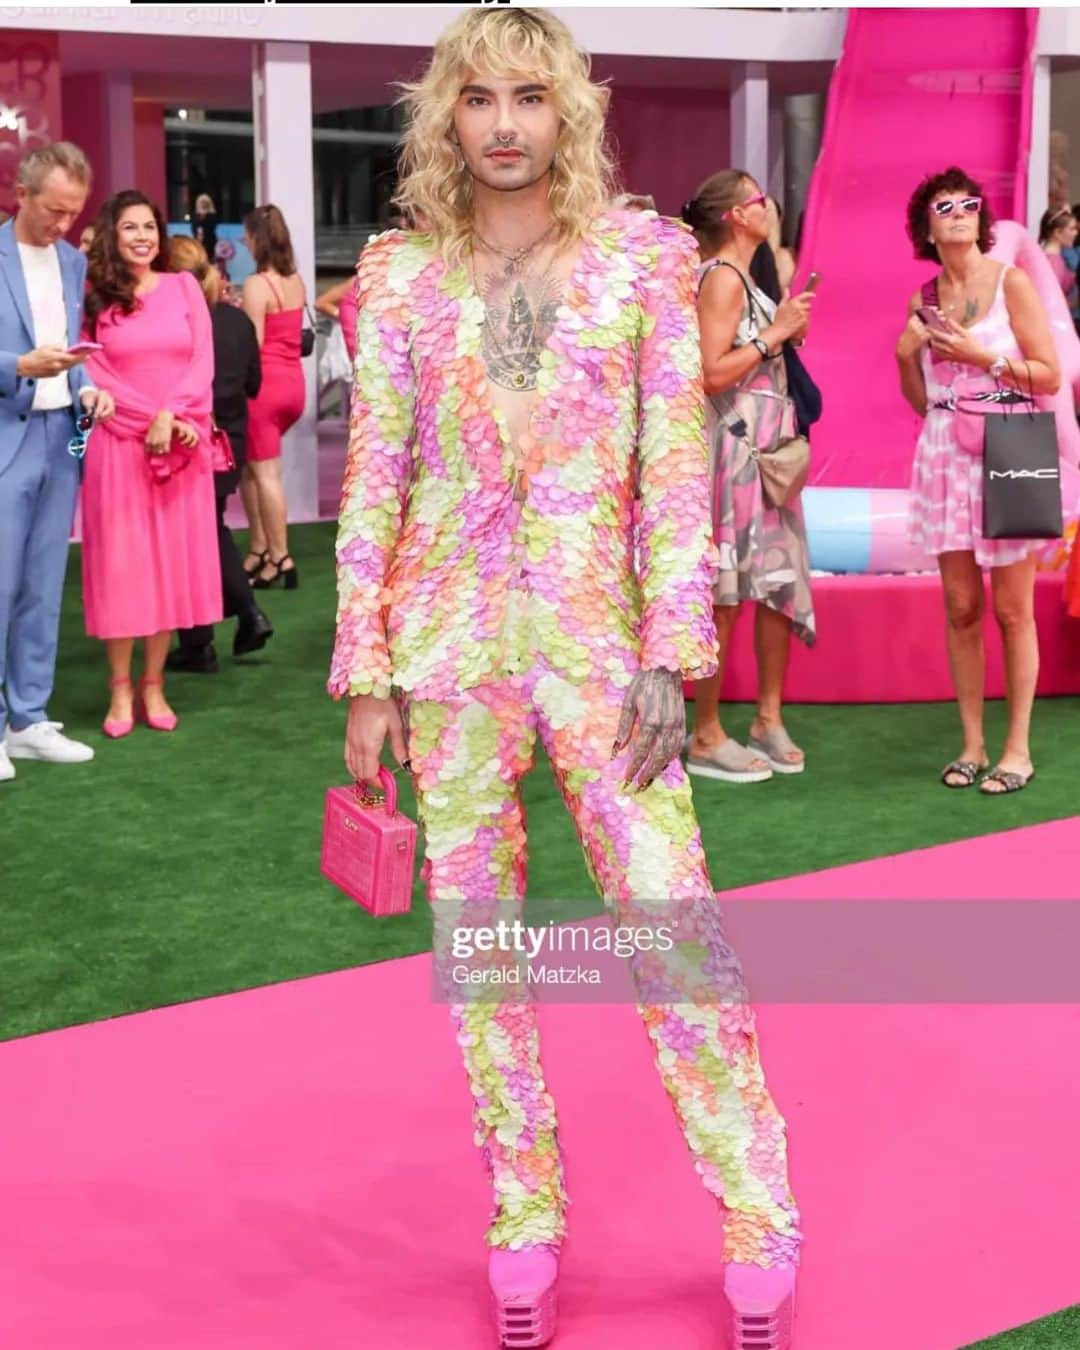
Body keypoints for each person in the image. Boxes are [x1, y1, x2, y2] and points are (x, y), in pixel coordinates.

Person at [329, 10, 801, 1348]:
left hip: (606, 653)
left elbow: (670, 471)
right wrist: (368, 669)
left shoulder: (642, 268)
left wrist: (673, 650)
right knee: (481, 951)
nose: (503, 125)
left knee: (669, 919)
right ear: (444, 118)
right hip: (450, 651)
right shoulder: (407, 281)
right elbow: (376, 488)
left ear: (568, 114)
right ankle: (522, 1212)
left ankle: (759, 1209)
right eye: (476, 99)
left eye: (528, 97)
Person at [896, 167, 1060, 793]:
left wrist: (983, 357)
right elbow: (920, 400)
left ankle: (1016, 749)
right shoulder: (923, 300)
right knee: (961, 606)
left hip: (1007, 445)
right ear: (927, 226)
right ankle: (971, 743)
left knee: (1014, 609)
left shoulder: (1011, 282)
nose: (961, 213)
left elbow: (1046, 375)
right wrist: (904, 355)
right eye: (946, 206)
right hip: (944, 448)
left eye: (970, 204)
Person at [681, 172, 816, 784]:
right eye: (760, 198)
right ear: (738, 215)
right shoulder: (722, 278)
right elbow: (709, 374)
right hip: (736, 453)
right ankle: (705, 732)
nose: (770, 207)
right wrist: (773, 337)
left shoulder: (746, 278)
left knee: (777, 583)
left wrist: (781, 330)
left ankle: (767, 716)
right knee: (727, 592)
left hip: (768, 452)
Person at [81, 190, 221, 737]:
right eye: (130, 228)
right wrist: (149, 419)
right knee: (124, 569)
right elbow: (90, 369)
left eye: (149, 227)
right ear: (113, 237)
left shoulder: (184, 287)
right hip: (118, 447)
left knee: (167, 569)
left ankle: (154, 683)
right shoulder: (95, 296)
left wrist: (172, 415)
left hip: (179, 447)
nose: (142, 236)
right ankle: (119, 687)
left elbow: (200, 361)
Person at [0, 142, 115, 784]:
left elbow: (74, 347)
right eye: (53, 210)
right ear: (22, 192)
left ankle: (28, 719)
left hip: (60, 437)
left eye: (72, 212)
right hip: (6, 437)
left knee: (43, 587)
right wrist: (18, 365)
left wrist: (87, 384)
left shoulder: (72, 263)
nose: (62, 224)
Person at [165, 236, 272, 672]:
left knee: (191, 539)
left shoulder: (176, 322)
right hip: (231, 440)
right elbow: (254, 383)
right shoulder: (236, 320)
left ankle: (213, 632)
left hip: (190, 439)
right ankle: (216, 630)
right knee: (211, 528)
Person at [239, 204, 306, 590]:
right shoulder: (295, 280)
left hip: (263, 389)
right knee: (253, 470)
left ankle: (281, 556)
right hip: (293, 385)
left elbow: (254, 345)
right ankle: (261, 550)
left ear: (255, 240)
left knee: (265, 474)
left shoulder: (256, 285)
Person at [1038, 205, 1078, 306]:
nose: (1076, 233)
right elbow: (1050, 302)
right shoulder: (1053, 261)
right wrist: (1074, 303)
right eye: (1072, 229)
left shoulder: (1049, 256)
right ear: (1057, 232)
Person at [191, 193, 218, 263]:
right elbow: (193, 227)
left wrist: (204, 218)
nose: (203, 204)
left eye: (205, 203)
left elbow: (212, 227)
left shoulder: (212, 215)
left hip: (210, 242)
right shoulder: (196, 215)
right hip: (198, 242)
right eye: (201, 203)